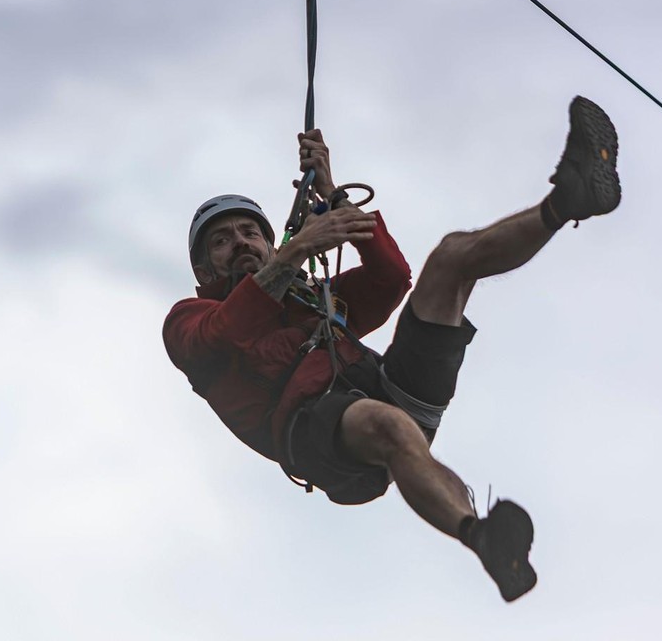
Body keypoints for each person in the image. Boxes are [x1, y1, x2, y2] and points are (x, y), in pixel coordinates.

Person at [163, 95, 621, 602]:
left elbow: (391, 279)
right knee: (389, 427)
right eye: (223, 241)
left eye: (251, 232)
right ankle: (479, 535)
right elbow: (226, 332)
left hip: (384, 386)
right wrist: (296, 250)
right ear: (203, 271)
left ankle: (567, 201)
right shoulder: (188, 320)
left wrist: (336, 198)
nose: (242, 242)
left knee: (450, 257)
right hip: (314, 430)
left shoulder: (311, 298)